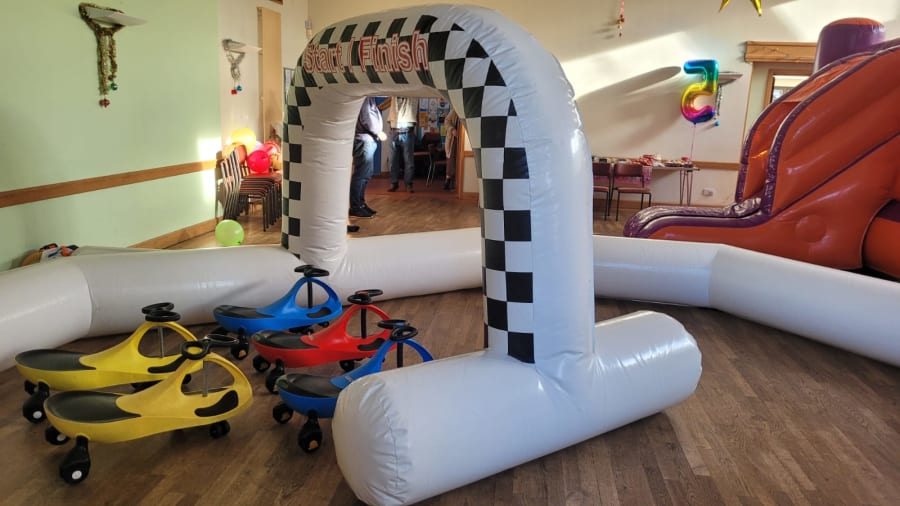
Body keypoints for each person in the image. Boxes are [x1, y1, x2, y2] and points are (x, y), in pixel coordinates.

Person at [350, 96, 387, 218]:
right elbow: (367, 117)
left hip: (367, 140)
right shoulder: (365, 98)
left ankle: (361, 204)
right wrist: (378, 132)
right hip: (363, 141)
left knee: (365, 175)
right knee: (361, 176)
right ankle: (356, 207)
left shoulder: (369, 98)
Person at [387, 96, 417, 193]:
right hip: (394, 131)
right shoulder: (394, 97)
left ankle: (408, 183)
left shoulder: (411, 97)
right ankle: (394, 182)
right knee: (392, 160)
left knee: (408, 161)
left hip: (407, 131)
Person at [443, 108, 460, 191]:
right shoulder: (455, 110)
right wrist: (452, 129)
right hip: (453, 140)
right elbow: (446, 121)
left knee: (457, 161)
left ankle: (450, 181)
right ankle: (449, 180)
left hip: (462, 140)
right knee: (451, 160)